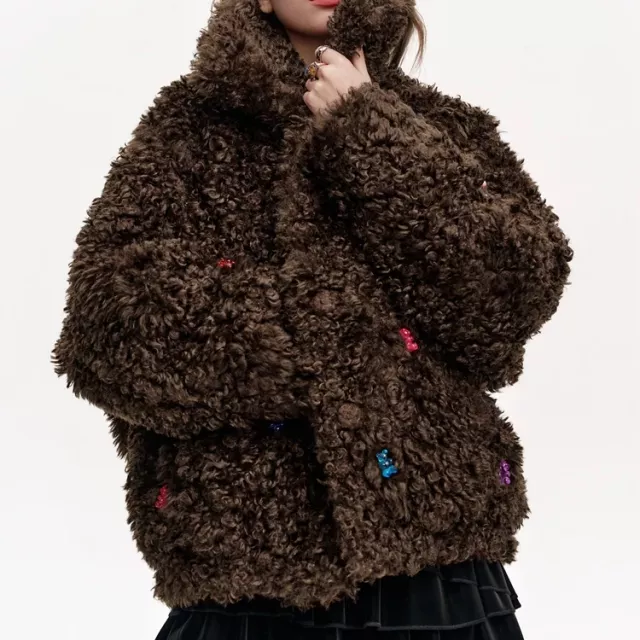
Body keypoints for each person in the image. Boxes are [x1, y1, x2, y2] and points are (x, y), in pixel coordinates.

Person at [51, 0, 573, 638]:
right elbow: (107, 322)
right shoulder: (192, 130)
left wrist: (370, 131)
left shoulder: (439, 126)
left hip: (441, 569)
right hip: (250, 564)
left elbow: (514, 293)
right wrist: (332, 332)